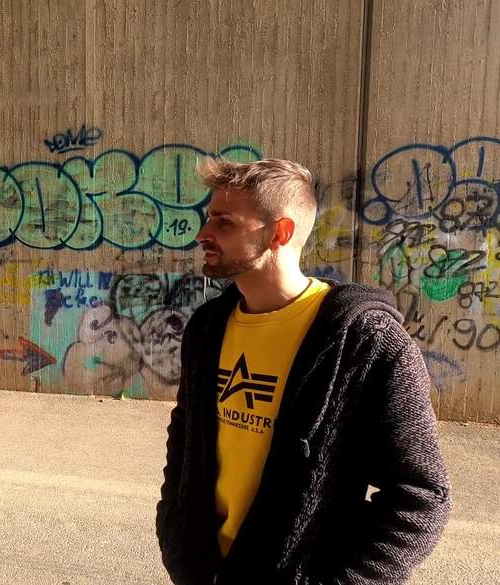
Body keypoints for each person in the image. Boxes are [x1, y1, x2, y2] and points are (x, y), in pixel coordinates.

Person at [155, 157, 450, 584]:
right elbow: (185, 431)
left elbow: (422, 495)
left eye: (224, 222)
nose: (204, 233)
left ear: (280, 233)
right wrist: (176, 535)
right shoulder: (207, 328)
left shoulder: (365, 340)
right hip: (205, 571)